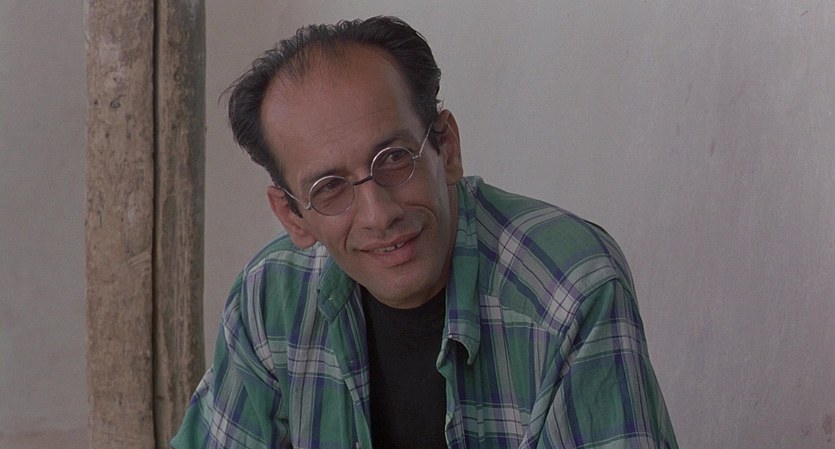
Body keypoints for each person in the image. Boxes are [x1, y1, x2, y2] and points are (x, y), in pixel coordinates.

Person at [172, 16, 677, 449]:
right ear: (292, 216)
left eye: (393, 159)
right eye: (330, 188)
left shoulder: (570, 290)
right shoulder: (269, 300)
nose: (377, 214)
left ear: (446, 147)